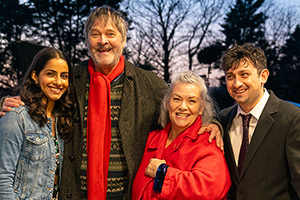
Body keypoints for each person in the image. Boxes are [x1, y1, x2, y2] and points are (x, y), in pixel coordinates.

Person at [0, 6, 223, 200]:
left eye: (110, 34)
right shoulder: (72, 79)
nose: (102, 41)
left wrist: (214, 123)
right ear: (87, 40)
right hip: (75, 193)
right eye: (95, 34)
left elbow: (180, 105)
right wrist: (5, 102)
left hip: (125, 195)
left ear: (123, 39)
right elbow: (41, 95)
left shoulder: (147, 84)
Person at [218, 43, 300, 200]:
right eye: (230, 76)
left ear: (263, 76)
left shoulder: (292, 118)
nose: (236, 84)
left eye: (244, 74)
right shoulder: (222, 119)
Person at [132, 71, 231, 200]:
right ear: (167, 104)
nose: (183, 107)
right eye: (177, 99)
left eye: (191, 101)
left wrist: (162, 172)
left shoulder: (208, 142)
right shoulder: (151, 138)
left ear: (201, 108)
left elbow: (209, 190)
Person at [0, 47, 74, 199]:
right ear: (35, 76)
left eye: (64, 76)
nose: (58, 82)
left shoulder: (62, 120)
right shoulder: (17, 117)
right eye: (50, 74)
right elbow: (3, 178)